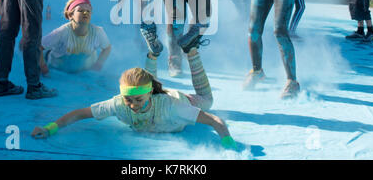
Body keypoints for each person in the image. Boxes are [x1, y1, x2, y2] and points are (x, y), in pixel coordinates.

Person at [31, 45, 238, 151]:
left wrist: (228, 143)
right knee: (143, 87)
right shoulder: (119, 104)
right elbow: (80, 113)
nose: (132, 106)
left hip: (183, 99)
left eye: (137, 100)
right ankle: (152, 55)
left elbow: (213, 120)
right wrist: (50, 128)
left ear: (149, 94)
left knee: (207, 100)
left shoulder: (173, 107)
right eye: (128, 99)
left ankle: (191, 52)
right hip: (152, 92)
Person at [40, 0, 112, 74]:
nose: (85, 13)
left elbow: (107, 48)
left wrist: (98, 64)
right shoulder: (62, 32)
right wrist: (43, 66)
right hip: (59, 69)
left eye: (88, 11)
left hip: (83, 68)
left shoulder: (98, 32)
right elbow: (39, 47)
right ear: (71, 15)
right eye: (80, 11)